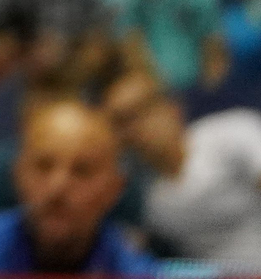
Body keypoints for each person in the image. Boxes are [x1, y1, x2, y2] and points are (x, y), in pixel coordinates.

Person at [0, 99, 157, 274]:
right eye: (43, 166)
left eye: (82, 170)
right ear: (17, 174)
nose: (57, 186)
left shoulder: (134, 272)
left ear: (114, 189)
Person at [108, 68, 261, 271]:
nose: (133, 128)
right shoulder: (146, 203)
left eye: (140, 112)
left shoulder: (232, 132)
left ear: (172, 107)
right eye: (121, 121)